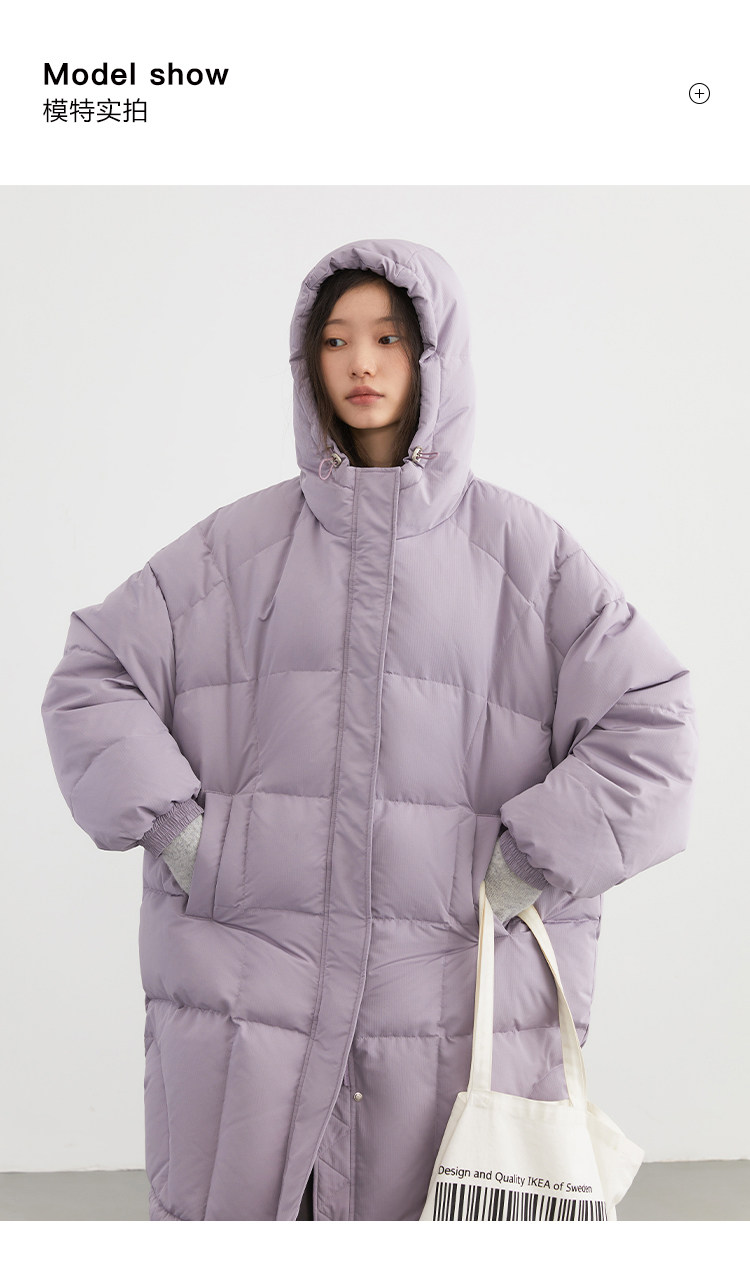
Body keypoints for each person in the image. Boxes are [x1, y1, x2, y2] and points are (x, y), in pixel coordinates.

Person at [41, 238, 699, 1222]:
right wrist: (186, 838)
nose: (360, 362)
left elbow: (655, 727)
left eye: (389, 338)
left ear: (436, 357)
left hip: (448, 996)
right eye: (336, 340)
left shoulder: (528, 560)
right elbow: (92, 673)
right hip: (254, 994)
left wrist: (526, 861)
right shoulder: (234, 550)